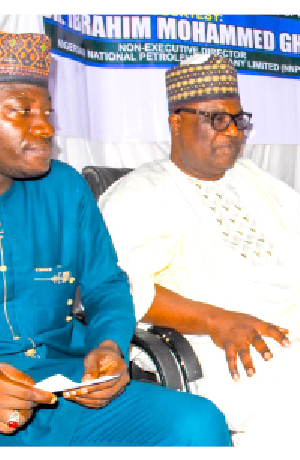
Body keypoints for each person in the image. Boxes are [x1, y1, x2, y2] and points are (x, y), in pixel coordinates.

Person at [98, 54, 300, 448]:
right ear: (175, 121)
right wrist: (217, 321)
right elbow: (121, 290)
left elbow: (291, 266)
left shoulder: (259, 184)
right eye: (217, 119)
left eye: (238, 120)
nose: (232, 132)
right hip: (217, 340)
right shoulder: (140, 193)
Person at [0, 33, 230, 446]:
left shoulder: (64, 189)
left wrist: (108, 345)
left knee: (196, 423)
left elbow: (106, 285)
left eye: (48, 112)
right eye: (21, 111)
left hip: (65, 387)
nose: (45, 127)